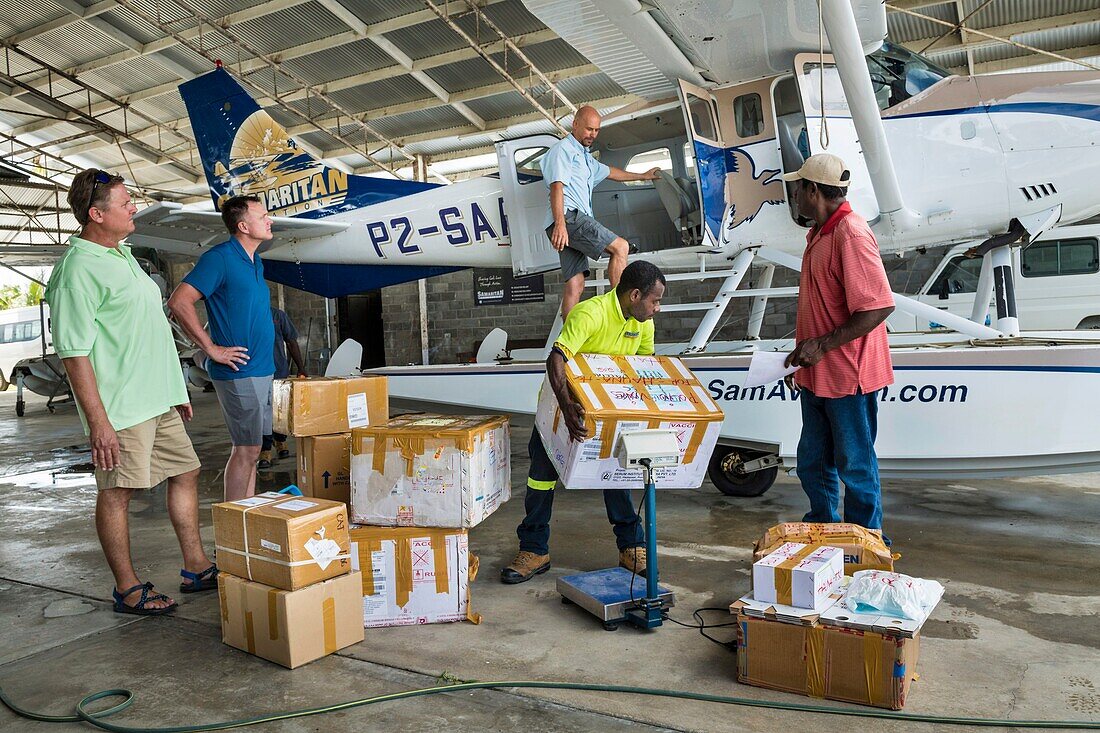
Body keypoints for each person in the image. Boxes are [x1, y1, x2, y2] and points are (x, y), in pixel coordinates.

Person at [45, 169, 217, 616]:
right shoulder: (76, 270)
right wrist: (99, 423)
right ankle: (128, 588)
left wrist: (175, 388)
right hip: (121, 405)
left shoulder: (122, 255)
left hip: (158, 398)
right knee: (119, 491)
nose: (134, 208)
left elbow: (150, 330)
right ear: (96, 214)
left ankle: (196, 566)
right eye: (125, 203)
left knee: (186, 473)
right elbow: (74, 353)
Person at [502, 260, 666, 584]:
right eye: (655, 300)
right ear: (635, 295)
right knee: (540, 479)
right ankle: (534, 549)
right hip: (560, 409)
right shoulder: (590, 314)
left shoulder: (643, 324)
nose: (657, 308)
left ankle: (631, 546)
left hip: (605, 412)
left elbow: (643, 369)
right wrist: (566, 408)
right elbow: (556, 359)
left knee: (616, 475)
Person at [781, 153, 896, 537]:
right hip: (817, 372)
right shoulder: (819, 233)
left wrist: (821, 345)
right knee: (812, 460)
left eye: (798, 188)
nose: (794, 195)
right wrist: (802, 354)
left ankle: (867, 538)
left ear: (812, 190)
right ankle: (825, 529)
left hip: (848, 373)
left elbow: (877, 307)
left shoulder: (850, 232)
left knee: (855, 462)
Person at [168, 196, 275, 501]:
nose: (270, 221)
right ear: (243, 225)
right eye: (263, 216)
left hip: (262, 368)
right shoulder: (220, 258)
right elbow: (179, 301)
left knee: (253, 451)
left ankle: (245, 518)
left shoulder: (255, 260)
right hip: (238, 371)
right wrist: (211, 348)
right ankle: (234, 532)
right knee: (246, 450)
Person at [542, 105, 662, 319]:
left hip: (568, 222)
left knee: (575, 284)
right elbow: (556, 187)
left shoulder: (586, 158)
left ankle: (567, 340)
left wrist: (643, 176)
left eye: (597, 130)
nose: (593, 134)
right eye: (589, 129)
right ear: (575, 124)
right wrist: (560, 224)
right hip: (570, 219)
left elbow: (612, 172)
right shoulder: (563, 150)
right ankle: (622, 313)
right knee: (620, 247)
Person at [258, 307, 307, 470]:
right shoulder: (248, 314)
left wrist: (301, 367)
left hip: (278, 369)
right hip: (257, 371)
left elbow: (291, 341)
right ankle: (265, 450)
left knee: (280, 409)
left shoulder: (278, 315)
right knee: (263, 411)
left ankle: (280, 441)